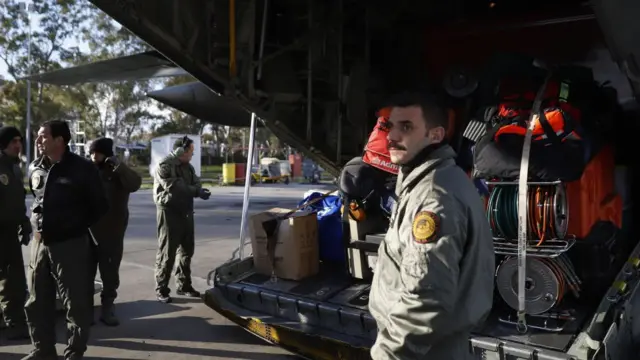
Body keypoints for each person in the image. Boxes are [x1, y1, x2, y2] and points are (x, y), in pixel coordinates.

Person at [368, 92, 495, 360]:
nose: (391, 137)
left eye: (406, 127)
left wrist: (387, 354)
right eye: (390, 126)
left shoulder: (434, 198)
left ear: (435, 135)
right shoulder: (435, 180)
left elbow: (426, 298)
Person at [24, 120, 108, 360]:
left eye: (43, 137)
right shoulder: (35, 167)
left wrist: (71, 226)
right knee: (37, 300)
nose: (38, 141)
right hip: (40, 244)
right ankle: (43, 350)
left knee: (76, 303)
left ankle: (74, 352)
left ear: (60, 140)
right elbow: (37, 199)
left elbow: (100, 206)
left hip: (70, 245)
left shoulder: (82, 169)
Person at [88, 137, 142, 326]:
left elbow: (135, 184)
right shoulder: (87, 169)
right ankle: (86, 309)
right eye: (92, 152)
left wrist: (120, 167)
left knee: (110, 272)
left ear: (107, 153)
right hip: (88, 230)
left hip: (112, 230)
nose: (94, 156)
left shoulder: (117, 170)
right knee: (86, 271)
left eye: (98, 152)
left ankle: (107, 307)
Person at [153, 136, 210, 303]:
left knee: (187, 251)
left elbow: (195, 184)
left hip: (186, 211)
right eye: (190, 151)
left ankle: (184, 285)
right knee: (167, 252)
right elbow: (175, 187)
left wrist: (199, 191)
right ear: (181, 151)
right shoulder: (165, 165)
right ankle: (161, 288)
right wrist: (195, 191)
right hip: (169, 212)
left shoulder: (189, 168)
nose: (192, 154)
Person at [0, 126, 31, 340]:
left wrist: (24, 221)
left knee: (15, 280)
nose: (18, 145)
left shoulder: (15, 168)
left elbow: (18, 198)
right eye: (13, 142)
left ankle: (14, 321)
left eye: (19, 141)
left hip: (11, 231)